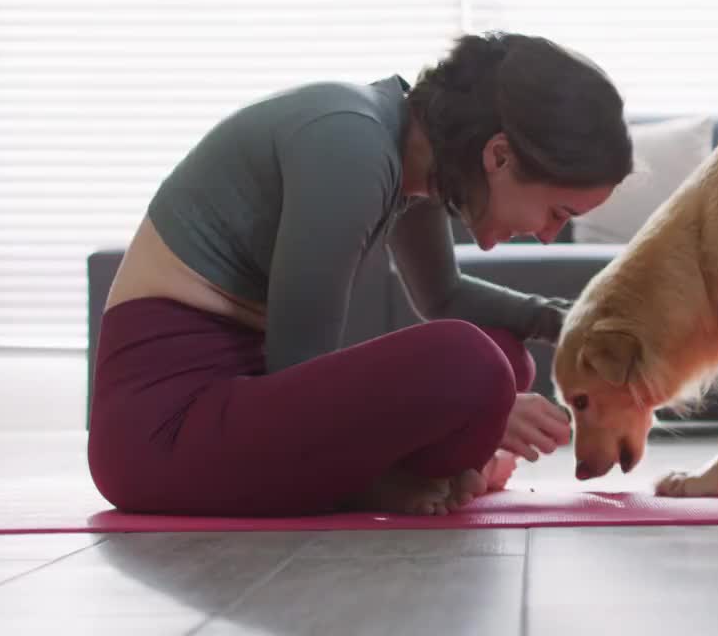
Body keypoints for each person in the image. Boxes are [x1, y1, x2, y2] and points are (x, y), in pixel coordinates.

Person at [87, 32, 634, 517]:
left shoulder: (414, 158)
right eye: (557, 214)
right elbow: (299, 368)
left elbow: (443, 296)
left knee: (503, 356)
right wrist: (490, 412)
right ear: (500, 156)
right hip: (162, 429)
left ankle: (401, 475)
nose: (546, 234)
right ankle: (375, 482)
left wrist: (570, 324)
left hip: (242, 405)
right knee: (476, 369)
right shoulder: (351, 145)